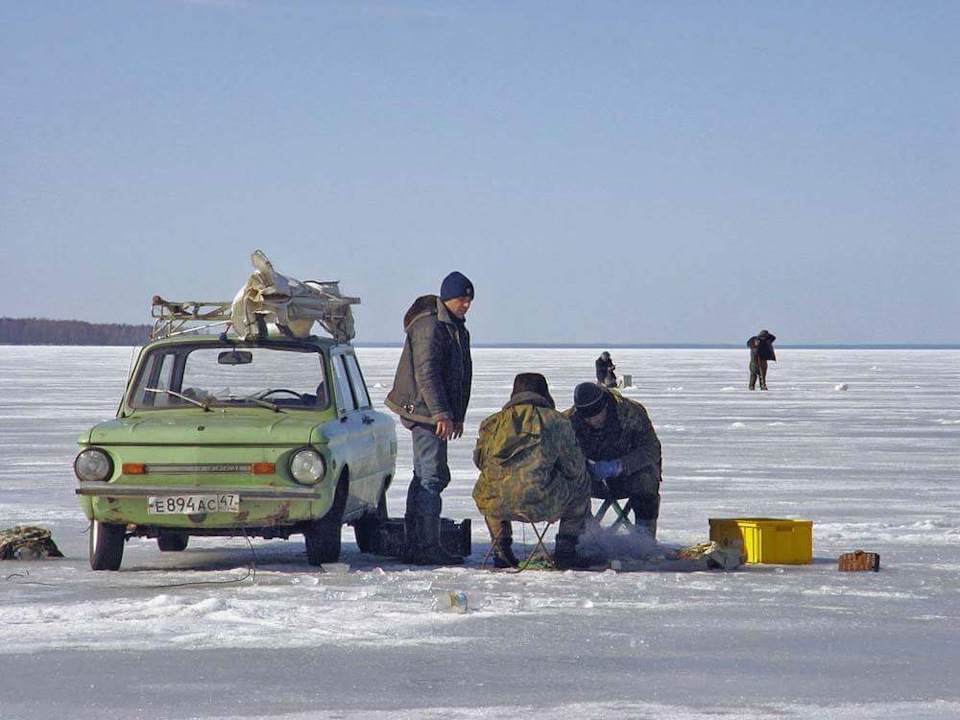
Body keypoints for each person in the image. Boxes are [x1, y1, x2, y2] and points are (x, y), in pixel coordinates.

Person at [385, 271, 474, 565]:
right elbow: (427, 373)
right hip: (424, 412)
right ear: (448, 297)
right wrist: (441, 413)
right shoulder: (430, 326)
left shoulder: (455, 327)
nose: (467, 305)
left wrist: (456, 415)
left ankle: (419, 541)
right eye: (463, 299)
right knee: (432, 475)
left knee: (426, 474)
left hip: (435, 413)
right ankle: (426, 545)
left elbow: (461, 375)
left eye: (469, 300)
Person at [472, 373, 592, 569]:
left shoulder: (492, 422)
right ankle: (565, 549)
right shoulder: (558, 422)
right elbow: (574, 468)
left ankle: (501, 549)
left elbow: (480, 461)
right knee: (582, 481)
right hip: (542, 503)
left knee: (491, 484)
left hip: (495, 505)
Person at [565, 382, 663, 538]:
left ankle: (645, 539)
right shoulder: (569, 421)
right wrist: (581, 467)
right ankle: (585, 537)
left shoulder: (631, 412)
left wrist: (620, 465)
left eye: (596, 415)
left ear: (605, 405)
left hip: (629, 476)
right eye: (587, 418)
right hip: (590, 480)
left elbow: (651, 449)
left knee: (647, 477)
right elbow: (561, 456)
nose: (592, 421)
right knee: (567, 482)